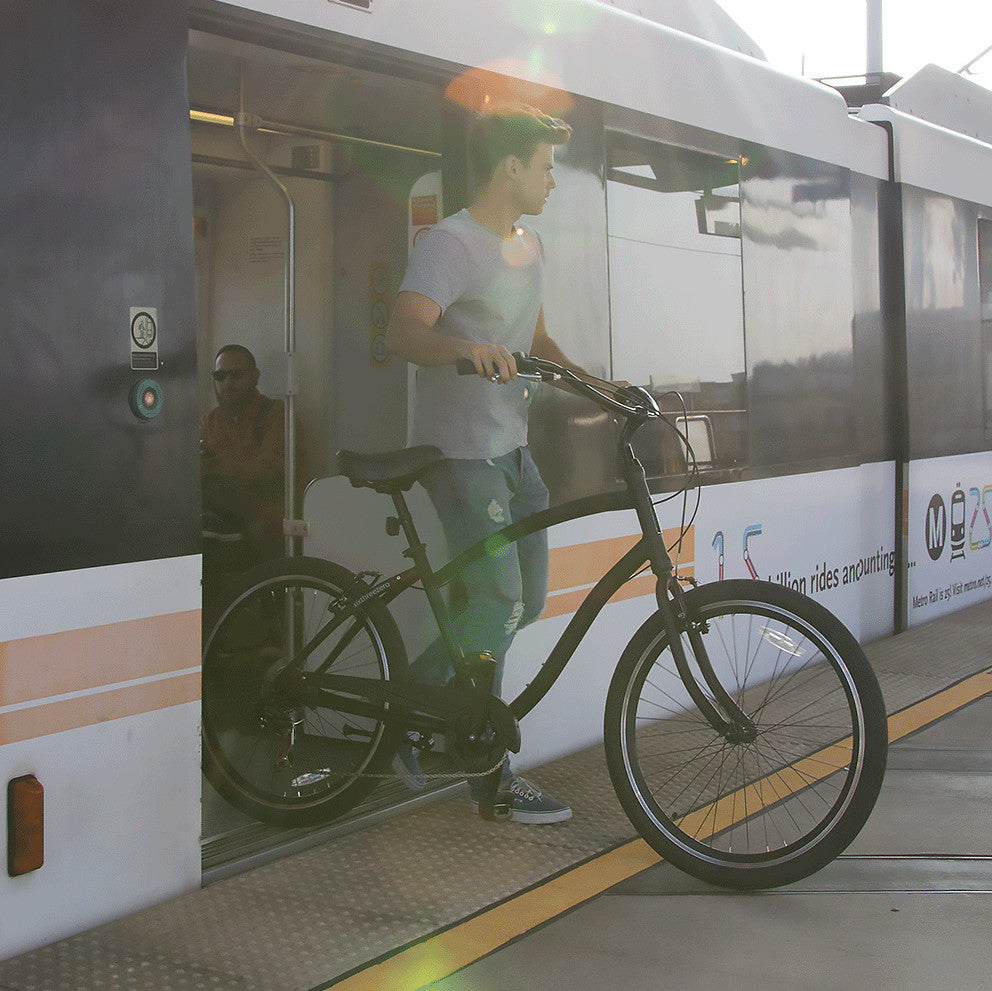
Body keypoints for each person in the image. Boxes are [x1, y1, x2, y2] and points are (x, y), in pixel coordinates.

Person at [386, 104, 584, 824]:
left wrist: (600, 385)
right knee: (497, 604)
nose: (552, 181)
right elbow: (403, 332)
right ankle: (487, 771)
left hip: (513, 451)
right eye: (546, 167)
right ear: (510, 166)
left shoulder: (528, 247)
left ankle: (413, 710)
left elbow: (535, 342)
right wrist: (466, 350)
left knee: (523, 601)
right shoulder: (450, 243)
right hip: (461, 454)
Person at [200, 344, 285, 563]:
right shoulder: (208, 422)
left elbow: (269, 472)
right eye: (220, 376)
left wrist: (219, 468)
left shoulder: (276, 414)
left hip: (264, 524)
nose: (227, 383)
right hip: (219, 518)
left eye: (236, 374)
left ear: (255, 377)